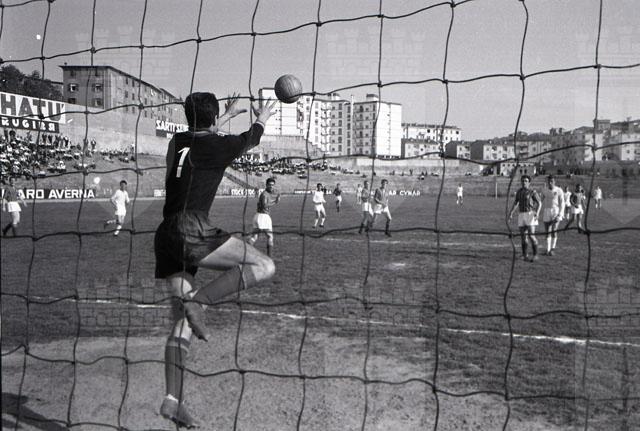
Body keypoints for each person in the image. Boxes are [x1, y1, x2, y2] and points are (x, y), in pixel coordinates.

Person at [154, 92, 276, 427]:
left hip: (165, 235)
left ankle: (173, 400)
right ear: (212, 118)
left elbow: (201, 133)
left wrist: (225, 116)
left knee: (180, 324)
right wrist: (261, 117)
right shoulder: (218, 146)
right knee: (264, 265)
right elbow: (251, 138)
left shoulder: (178, 142)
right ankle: (200, 303)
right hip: (191, 228)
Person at [509, 175, 541, 262]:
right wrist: (511, 213)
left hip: (530, 214)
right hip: (521, 214)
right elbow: (516, 203)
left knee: (531, 236)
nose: (524, 182)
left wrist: (537, 213)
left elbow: (539, 203)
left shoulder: (532, 192)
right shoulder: (519, 192)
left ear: (529, 182)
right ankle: (524, 255)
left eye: (526, 181)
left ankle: (535, 255)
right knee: (523, 236)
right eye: (523, 181)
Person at [248, 177, 280, 256]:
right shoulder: (264, 194)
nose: (271, 186)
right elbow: (264, 205)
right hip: (263, 217)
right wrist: (275, 202)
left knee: (254, 237)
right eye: (269, 185)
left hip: (258, 216)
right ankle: (269, 257)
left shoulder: (267, 193)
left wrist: (275, 199)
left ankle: (245, 252)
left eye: (272, 185)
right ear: (266, 185)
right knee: (270, 237)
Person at [540, 175, 565, 256]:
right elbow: (540, 201)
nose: (550, 183)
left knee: (554, 230)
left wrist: (560, 214)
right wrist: (536, 210)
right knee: (547, 231)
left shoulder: (559, 190)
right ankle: (547, 250)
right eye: (549, 181)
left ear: (554, 182)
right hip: (547, 211)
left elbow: (562, 203)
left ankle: (552, 249)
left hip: (555, 211)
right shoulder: (544, 190)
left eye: (552, 181)